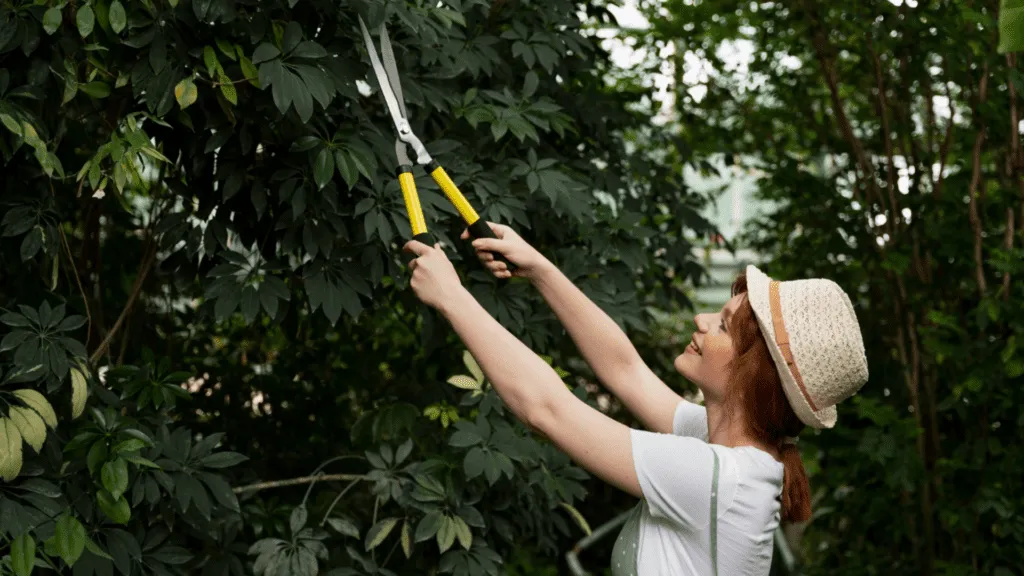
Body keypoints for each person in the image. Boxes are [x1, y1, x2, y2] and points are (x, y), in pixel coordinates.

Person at [403, 222, 868, 576]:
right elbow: (626, 372)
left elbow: (546, 409)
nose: (703, 319)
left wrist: (453, 299)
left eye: (724, 325)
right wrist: (540, 269)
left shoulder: (720, 479)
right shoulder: (725, 452)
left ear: (756, 376)